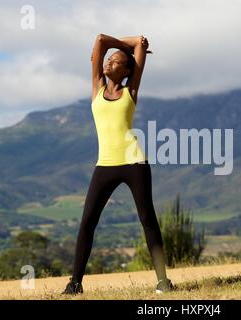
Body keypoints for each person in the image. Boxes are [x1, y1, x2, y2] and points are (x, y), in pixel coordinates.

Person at [62, 34, 174, 295]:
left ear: (125, 71)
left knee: (148, 219)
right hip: (105, 164)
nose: (108, 63)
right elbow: (100, 40)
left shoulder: (131, 90)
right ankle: (75, 284)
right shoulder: (96, 87)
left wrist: (135, 47)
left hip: (134, 161)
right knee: (87, 222)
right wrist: (126, 46)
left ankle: (162, 281)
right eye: (108, 60)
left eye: (115, 62)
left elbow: (138, 49)